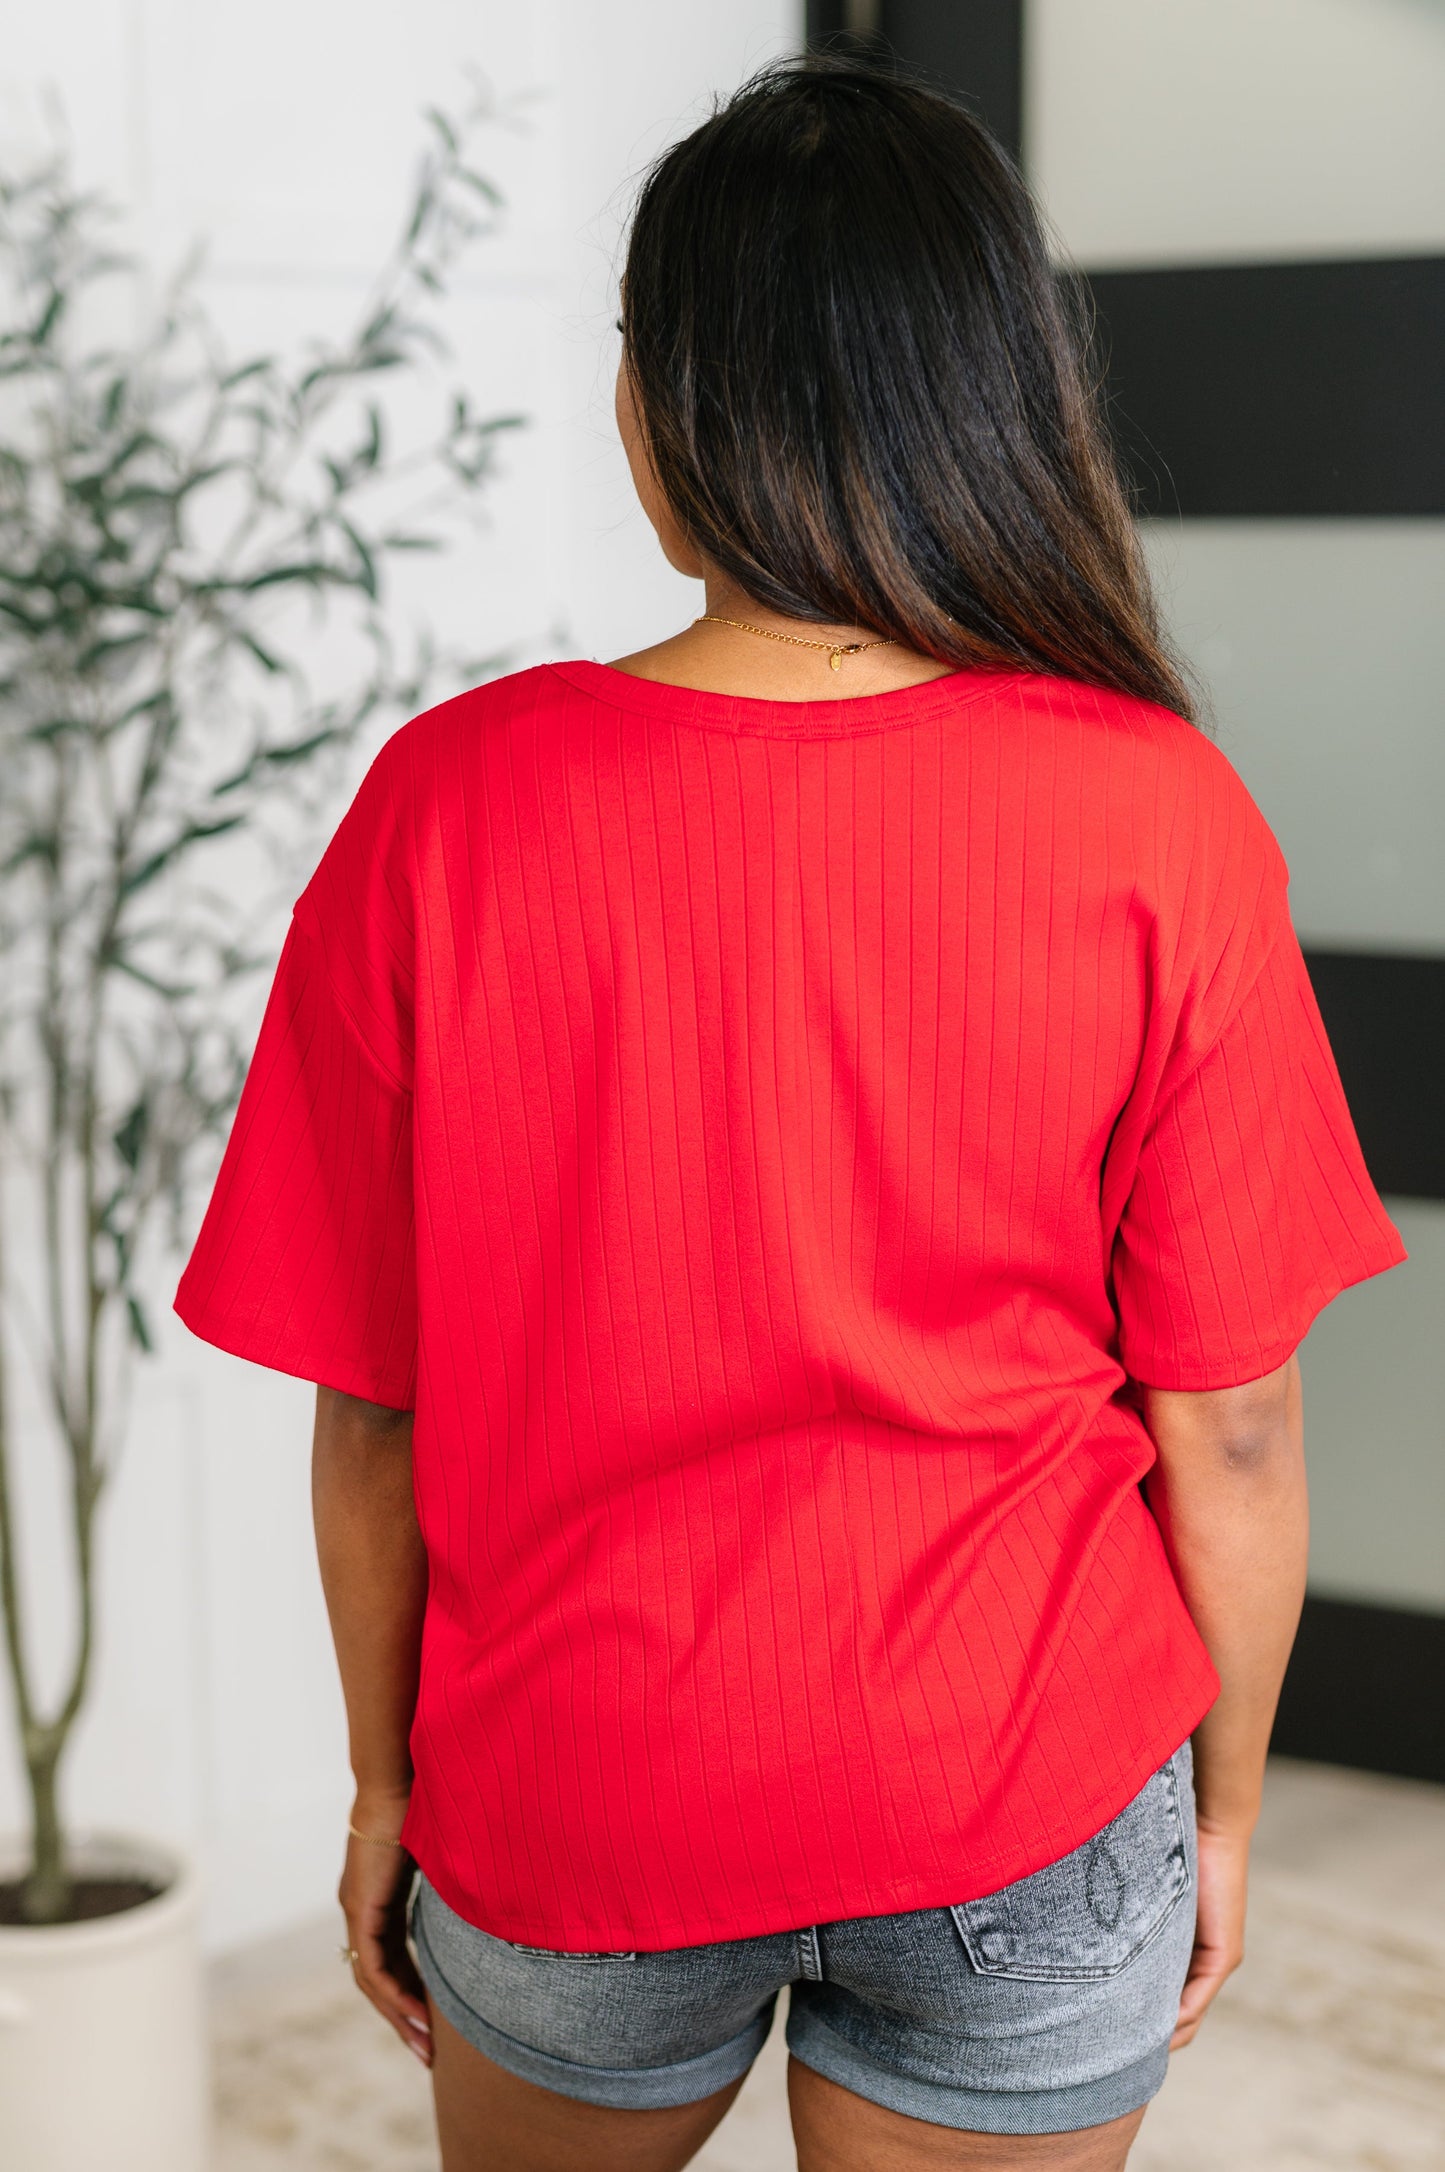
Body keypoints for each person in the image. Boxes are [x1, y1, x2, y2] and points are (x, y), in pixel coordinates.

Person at [174, 56, 1407, 2172]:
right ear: (986, 394)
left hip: (577, 1788)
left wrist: (387, 1798)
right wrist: (1221, 1809)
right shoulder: (1151, 809)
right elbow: (1234, 1418)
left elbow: (373, 1415)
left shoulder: (448, 809)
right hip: (1019, 1797)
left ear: (676, 411)